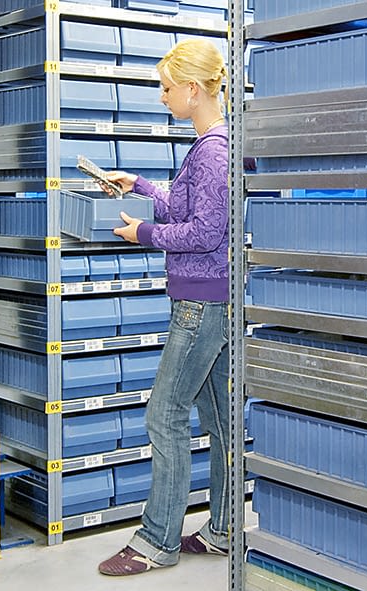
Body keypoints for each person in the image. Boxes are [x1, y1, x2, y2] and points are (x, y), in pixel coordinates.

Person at [96, 38, 232, 576]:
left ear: (193, 89)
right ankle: (222, 530)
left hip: (200, 304)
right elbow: (190, 207)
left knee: (165, 414)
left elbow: (205, 231)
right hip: (213, 301)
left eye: (168, 88)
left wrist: (143, 233)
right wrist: (143, 187)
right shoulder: (207, 147)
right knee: (218, 420)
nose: (162, 97)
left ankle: (157, 540)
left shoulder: (214, 151)